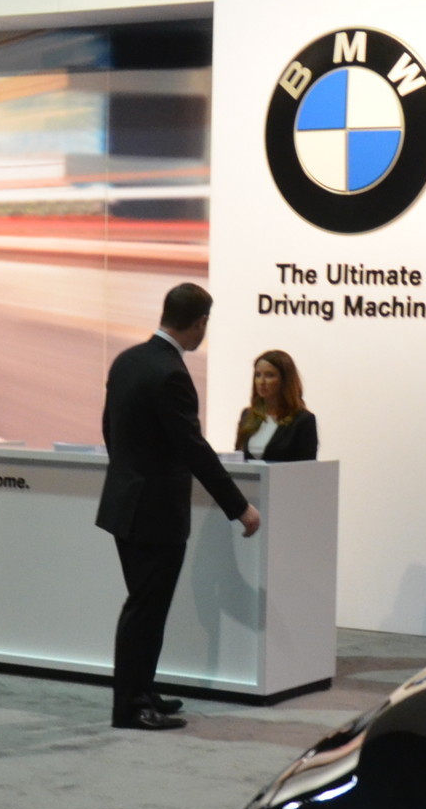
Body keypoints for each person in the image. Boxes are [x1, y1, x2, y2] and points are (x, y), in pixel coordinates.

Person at [98, 283, 262, 731]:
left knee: (145, 606)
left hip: (124, 504)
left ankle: (142, 691)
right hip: (155, 514)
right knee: (145, 610)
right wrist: (239, 507)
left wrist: (131, 474)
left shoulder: (128, 360)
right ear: (200, 322)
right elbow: (193, 448)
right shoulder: (170, 372)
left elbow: (110, 428)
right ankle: (130, 707)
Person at [234, 349, 321, 461]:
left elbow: (306, 466)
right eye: (258, 375)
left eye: (270, 375)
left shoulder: (303, 420)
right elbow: (237, 457)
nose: (261, 382)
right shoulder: (247, 415)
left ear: (285, 380)